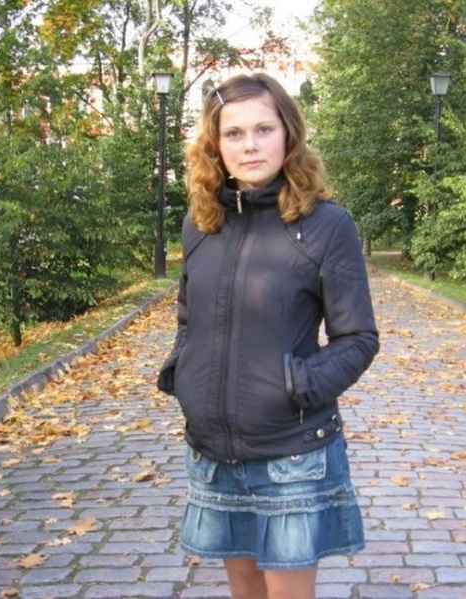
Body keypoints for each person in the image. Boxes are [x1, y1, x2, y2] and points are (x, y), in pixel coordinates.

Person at [157, 72, 379, 599]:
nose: (250, 145)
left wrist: (296, 386)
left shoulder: (326, 225)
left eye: (264, 129)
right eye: (234, 133)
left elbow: (358, 338)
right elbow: (189, 317)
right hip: (212, 452)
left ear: (288, 134)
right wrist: (183, 374)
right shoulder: (201, 224)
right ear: (215, 145)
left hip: (292, 454)